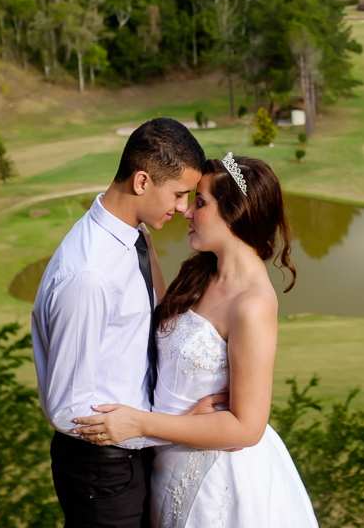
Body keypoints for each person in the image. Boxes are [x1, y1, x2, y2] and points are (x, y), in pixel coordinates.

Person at [73, 153, 318, 528]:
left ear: (236, 213)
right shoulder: (203, 274)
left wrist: (143, 423)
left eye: (200, 202)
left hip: (217, 480)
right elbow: (165, 324)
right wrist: (145, 248)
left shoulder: (253, 304)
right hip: (168, 462)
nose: (186, 211)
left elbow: (247, 429)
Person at [32, 118, 216, 528]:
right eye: (179, 194)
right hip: (102, 471)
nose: (183, 207)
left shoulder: (134, 236)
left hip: (131, 457)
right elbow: (70, 410)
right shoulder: (90, 277)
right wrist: (173, 430)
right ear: (142, 182)